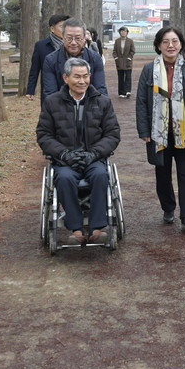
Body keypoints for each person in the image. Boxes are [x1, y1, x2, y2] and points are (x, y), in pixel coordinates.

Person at [36, 57, 120, 245]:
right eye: (77, 77)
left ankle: (97, 227)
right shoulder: (52, 102)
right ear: (65, 78)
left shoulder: (102, 102)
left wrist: (94, 154)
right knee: (64, 178)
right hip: (64, 160)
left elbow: (112, 134)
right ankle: (75, 229)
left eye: (86, 76)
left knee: (101, 175)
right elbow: (44, 135)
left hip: (93, 159)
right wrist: (64, 154)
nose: (82, 81)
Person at [136, 27, 185, 231]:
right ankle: (168, 208)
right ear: (158, 45)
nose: (171, 45)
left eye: (175, 41)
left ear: (181, 44)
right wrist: (143, 130)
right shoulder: (149, 70)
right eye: (166, 42)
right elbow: (141, 101)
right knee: (162, 172)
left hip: (184, 131)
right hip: (158, 132)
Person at [41, 17, 107, 103]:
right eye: (69, 38)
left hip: (90, 106)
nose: (73, 42)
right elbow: (50, 94)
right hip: (60, 107)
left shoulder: (95, 58)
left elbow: (100, 91)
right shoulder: (51, 60)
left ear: (84, 38)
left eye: (78, 38)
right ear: (63, 37)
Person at [25, 14, 70, 101]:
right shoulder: (41, 46)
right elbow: (34, 69)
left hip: (69, 87)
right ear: (52, 29)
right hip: (49, 88)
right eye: (61, 26)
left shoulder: (73, 45)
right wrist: (30, 90)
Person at [113, 26, 136, 98]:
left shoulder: (130, 41)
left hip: (128, 62)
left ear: (127, 32)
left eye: (125, 31)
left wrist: (129, 58)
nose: (123, 32)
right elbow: (114, 51)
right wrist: (116, 58)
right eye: (122, 31)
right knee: (120, 77)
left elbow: (132, 51)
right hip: (119, 62)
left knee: (128, 77)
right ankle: (121, 92)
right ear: (119, 32)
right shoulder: (117, 41)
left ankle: (127, 91)